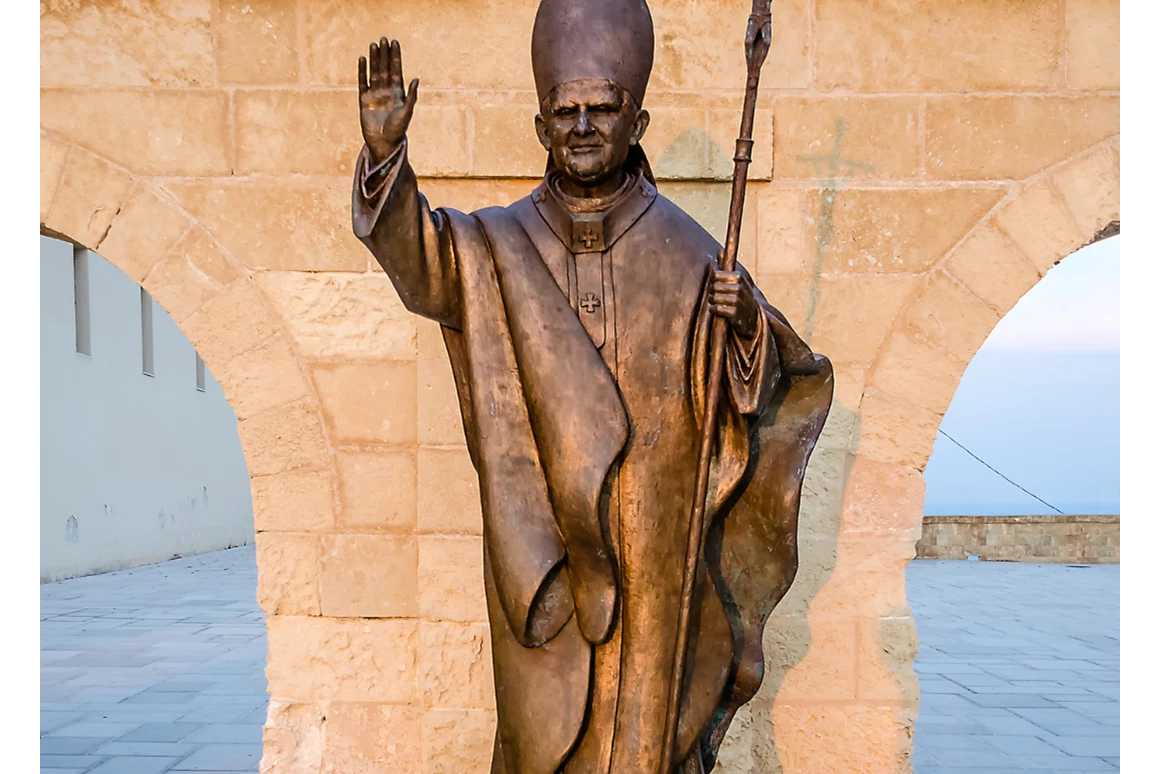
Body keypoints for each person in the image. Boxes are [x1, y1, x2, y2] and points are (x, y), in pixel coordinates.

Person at [351, 1, 833, 771]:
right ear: (541, 128)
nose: (581, 126)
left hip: (656, 533)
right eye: (563, 111)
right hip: (542, 536)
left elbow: (777, 382)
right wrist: (386, 162)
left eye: (600, 109)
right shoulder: (495, 243)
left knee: (650, 726)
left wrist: (744, 326)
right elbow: (422, 266)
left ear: (634, 121)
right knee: (542, 727)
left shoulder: (687, 246)